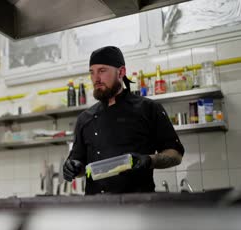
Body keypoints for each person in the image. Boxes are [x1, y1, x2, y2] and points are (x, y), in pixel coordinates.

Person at [63, 46, 184, 194]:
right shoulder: (85, 118)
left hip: (138, 207)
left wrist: (149, 160)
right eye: (92, 72)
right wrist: (73, 168)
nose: (96, 78)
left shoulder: (148, 108)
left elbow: (175, 154)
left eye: (102, 71)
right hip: (96, 209)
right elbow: (80, 165)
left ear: (121, 72)